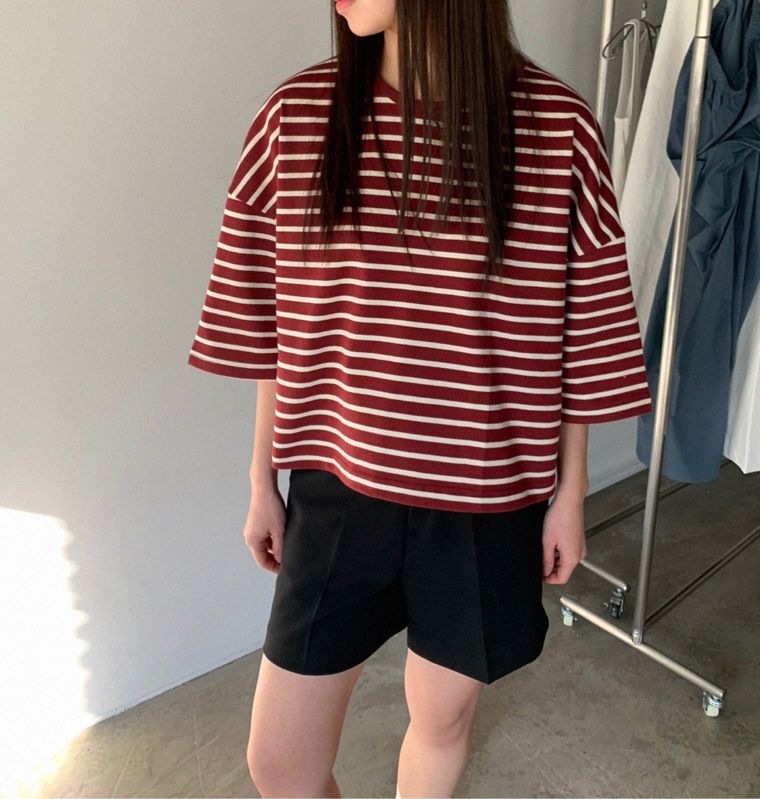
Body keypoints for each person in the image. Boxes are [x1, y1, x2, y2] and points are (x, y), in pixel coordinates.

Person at [186, 1, 654, 796]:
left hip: (486, 497)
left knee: (441, 720)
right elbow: (274, 321)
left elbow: (582, 328)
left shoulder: (557, 129)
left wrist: (570, 493)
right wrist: (261, 477)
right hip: (338, 488)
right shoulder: (296, 119)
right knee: (281, 762)